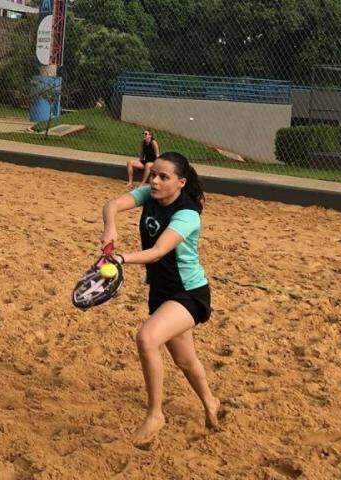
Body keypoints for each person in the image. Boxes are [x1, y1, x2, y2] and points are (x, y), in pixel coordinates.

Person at [101, 151, 220, 446]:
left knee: (146, 338)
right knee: (185, 360)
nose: (154, 181)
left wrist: (120, 258)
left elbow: (157, 252)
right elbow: (112, 204)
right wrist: (110, 225)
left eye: (163, 177)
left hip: (189, 293)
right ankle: (211, 403)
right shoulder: (150, 194)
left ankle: (155, 414)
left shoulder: (187, 214)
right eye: (154, 174)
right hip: (161, 292)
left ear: (180, 182)